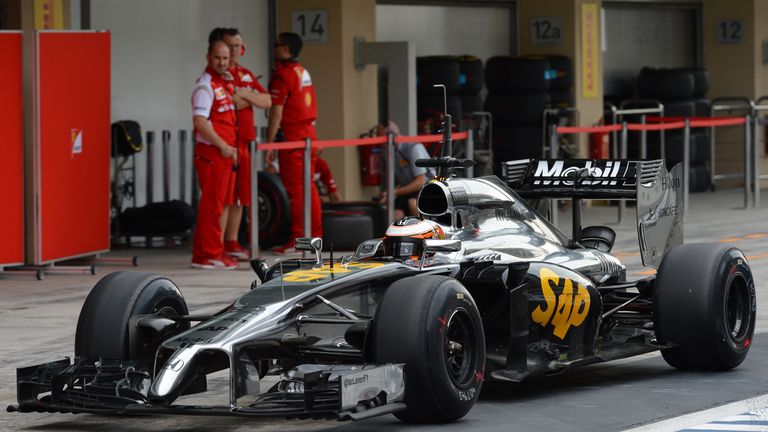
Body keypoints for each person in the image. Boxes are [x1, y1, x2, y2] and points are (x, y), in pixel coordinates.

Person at [266, 32, 322, 253]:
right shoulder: (302, 71)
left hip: (293, 139)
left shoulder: (282, 75)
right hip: (309, 135)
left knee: (297, 191)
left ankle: (299, 240)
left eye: (277, 45)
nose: (274, 48)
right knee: (309, 188)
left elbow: (275, 113)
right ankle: (315, 236)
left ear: (286, 49)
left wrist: (269, 144)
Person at [220, 28, 271, 261]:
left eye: (237, 46)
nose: (234, 50)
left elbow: (267, 99)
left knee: (242, 196)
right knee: (225, 197)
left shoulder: (246, 73)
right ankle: (218, 244)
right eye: (230, 46)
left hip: (247, 144)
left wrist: (247, 94)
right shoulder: (218, 74)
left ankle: (232, 241)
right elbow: (230, 102)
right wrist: (247, 95)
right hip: (228, 143)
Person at [189, 36, 238, 269]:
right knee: (212, 206)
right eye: (217, 57)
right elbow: (200, 121)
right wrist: (222, 145)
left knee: (221, 205)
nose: (221, 62)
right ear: (208, 57)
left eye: (225, 58)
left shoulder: (223, 83)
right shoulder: (205, 85)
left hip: (224, 155)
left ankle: (213, 251)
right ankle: (207, 254)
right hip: (213, 154)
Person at [376, 121, 434, 220]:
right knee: (393, 214)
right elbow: (394, 180)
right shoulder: (387, 150)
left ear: (392, 137)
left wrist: (393, 192)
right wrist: (387, 194)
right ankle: (399, 235)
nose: (380, 144)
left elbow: (420, 182)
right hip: (406, 189)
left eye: (382, 140)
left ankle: (427, 233)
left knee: (413, 204)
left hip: (428, 187)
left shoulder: (413, 148)